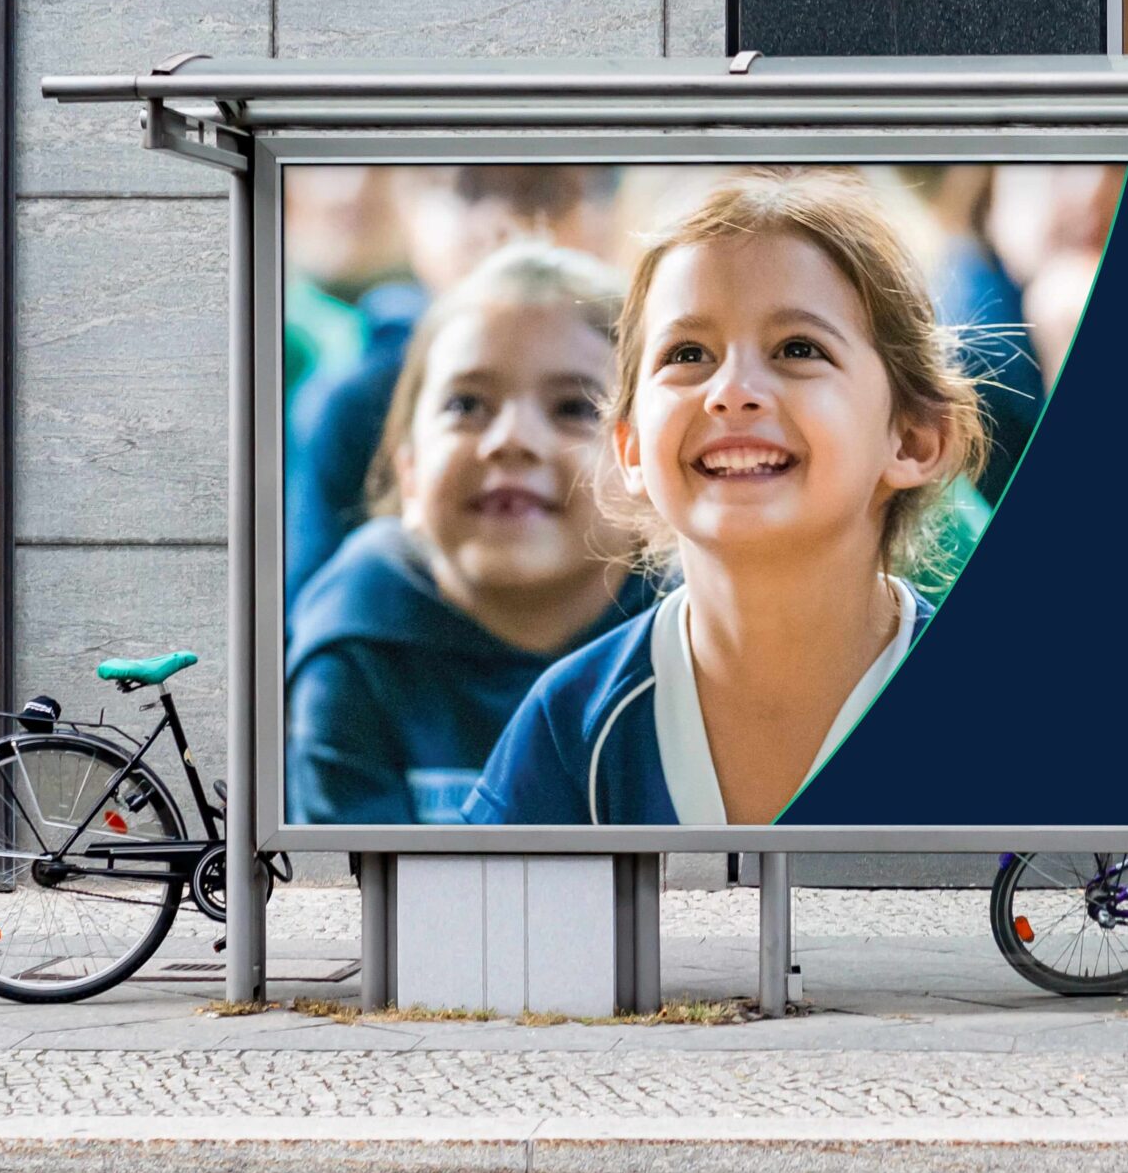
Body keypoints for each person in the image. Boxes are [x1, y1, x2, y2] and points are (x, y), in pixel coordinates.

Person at [464, 169, 984, 826]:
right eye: (688, 353)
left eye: (798, 348)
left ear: (913, 439)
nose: (731, 390)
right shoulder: (572, 730)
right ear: (629, 450)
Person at [286, 246, 654, 825]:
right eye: (467, 404)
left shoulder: (697, 640)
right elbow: (352, 902)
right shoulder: (355, 646)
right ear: (407, 469)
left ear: (644, 464)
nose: (511, 438)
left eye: (574, 407)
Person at [285, 164, 610, 605]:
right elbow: (301, 613)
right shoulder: (354, 400)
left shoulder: (637, 371)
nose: (498, 222)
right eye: (466, 191)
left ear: (603, 217)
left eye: (540, 194)